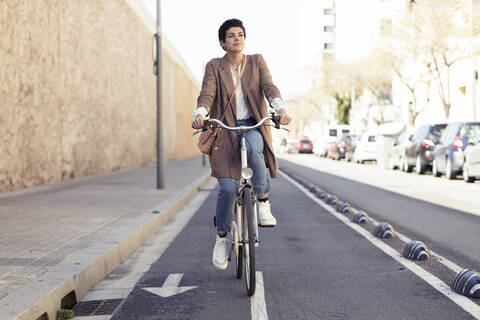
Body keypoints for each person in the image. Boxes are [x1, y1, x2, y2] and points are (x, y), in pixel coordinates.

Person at [191, 18, 291, 270]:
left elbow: (269, 87)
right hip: (224, 130)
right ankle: (222, 238)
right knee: (226, 188)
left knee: (256, 151)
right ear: (223, 43)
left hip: (253, 124)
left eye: (241, 34)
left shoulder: (256, 61)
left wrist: (280, 108)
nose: (237, 38)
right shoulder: (214, 66)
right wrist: (200, 112)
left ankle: (264, 202)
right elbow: (207, 93)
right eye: (231, 35)